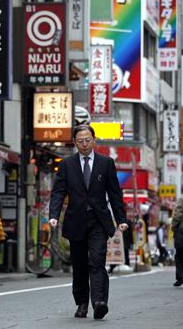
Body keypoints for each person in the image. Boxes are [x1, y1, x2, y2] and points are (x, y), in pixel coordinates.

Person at [49, 124, 128, 320]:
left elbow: (115, 193)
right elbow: (58, 192)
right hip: (75, 220)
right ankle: (82, 303)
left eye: (87, 140)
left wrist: (121, 219)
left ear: (94, 140)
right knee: (79, 265)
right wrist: (53, 215)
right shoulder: (67, 164)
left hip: (98, 221)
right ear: (75, 142)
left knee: (97, 261)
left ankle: (99, 302)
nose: (84, 144)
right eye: (80, 141)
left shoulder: (106, 163)